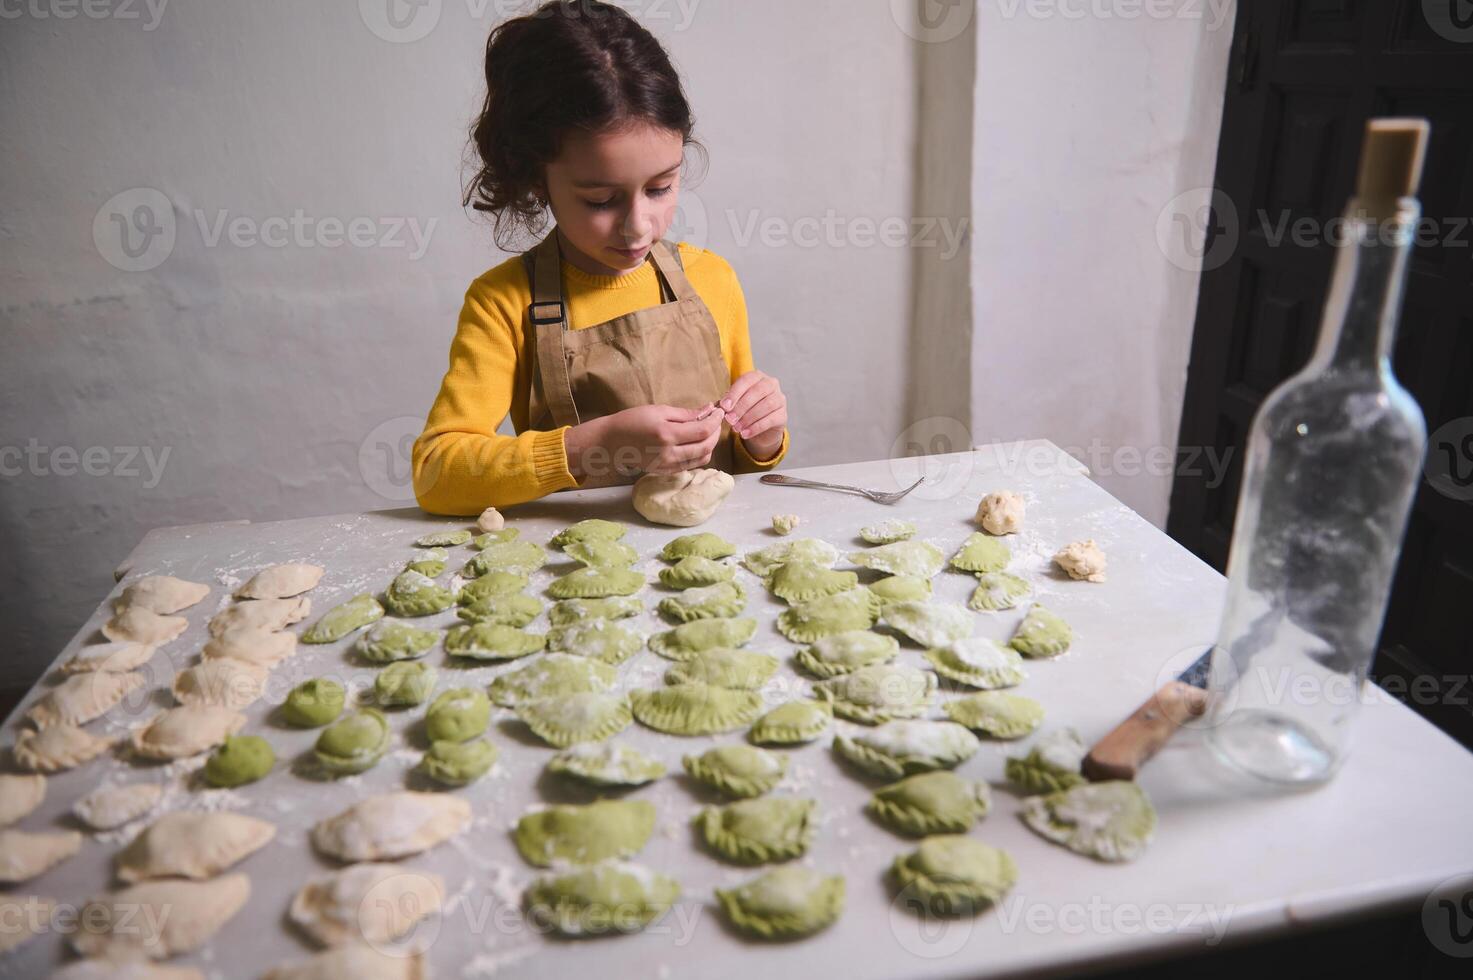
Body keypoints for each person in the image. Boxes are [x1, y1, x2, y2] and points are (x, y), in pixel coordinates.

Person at [412, 0, 789, 515]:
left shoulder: (711, 279)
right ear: (536, 178)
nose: (638, 226)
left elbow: (742, 465)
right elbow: (437, 474)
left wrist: (762, 438)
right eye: (600, 200)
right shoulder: (503, 303)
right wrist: (595, 445)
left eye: (661, 187)